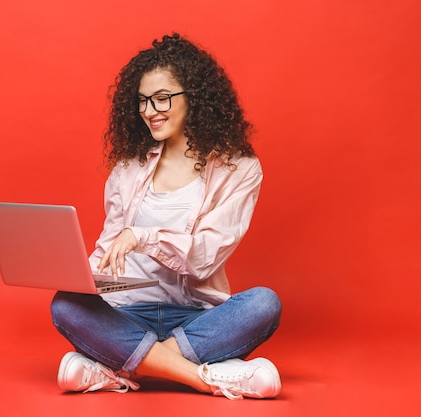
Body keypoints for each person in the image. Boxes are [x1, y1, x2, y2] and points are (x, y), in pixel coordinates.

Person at [50, 33, 282, 400]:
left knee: (263, 304)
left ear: (195, 98)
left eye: (162, 98)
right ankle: (204, 377)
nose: (149, 111)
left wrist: (144, 237)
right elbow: (110, 249)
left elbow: (206, 257)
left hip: (195, 316)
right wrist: (81, 276)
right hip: (127, 313)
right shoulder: (127, 169)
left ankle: (115, 368)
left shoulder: (240, 169)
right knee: (65, 303)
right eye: (142, 101)